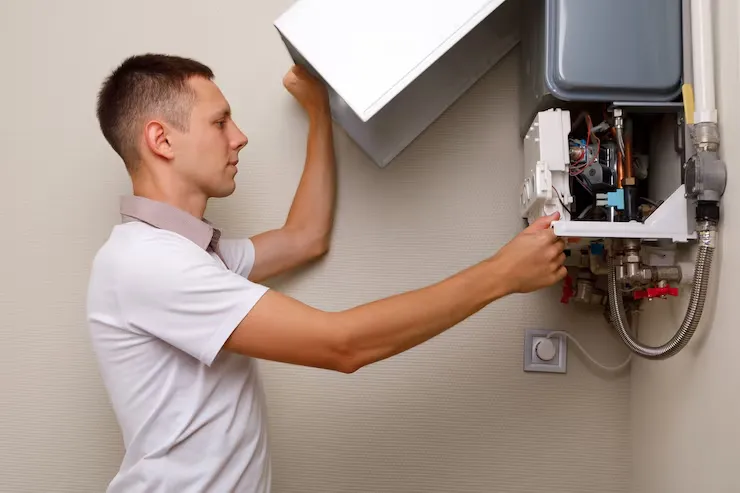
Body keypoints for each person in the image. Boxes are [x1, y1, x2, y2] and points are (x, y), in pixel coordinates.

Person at [86, 53, 567, 493]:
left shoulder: (191, 255)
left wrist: (319, 115)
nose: (239, 136)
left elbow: (304, 237)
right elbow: (342, 345)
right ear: (162, 139)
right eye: (219, 122)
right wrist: (502, 274)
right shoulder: (150, 264)